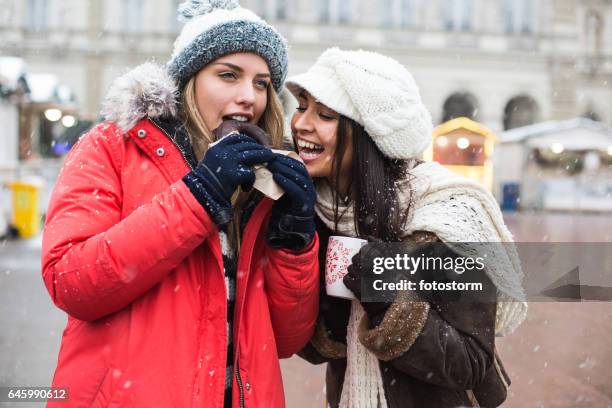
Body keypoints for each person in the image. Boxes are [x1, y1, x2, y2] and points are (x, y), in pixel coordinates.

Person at [41, 1, 319, 407]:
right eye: (228, 75)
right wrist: (198, 196)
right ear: (189, 80)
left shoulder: (262, 182)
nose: (249, 97)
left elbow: (287, 338)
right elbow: (71, 282)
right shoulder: (112, 146)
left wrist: (295, 241)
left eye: (262, 83)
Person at [286, 48, 527, 408]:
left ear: (370, 135)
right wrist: (297, 242)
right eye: (302, 106)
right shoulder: (325, 207)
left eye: (324, 114)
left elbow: (471, 363)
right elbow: (318, 348)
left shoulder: (449, 215)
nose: (301, 123)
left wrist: (388, 296)